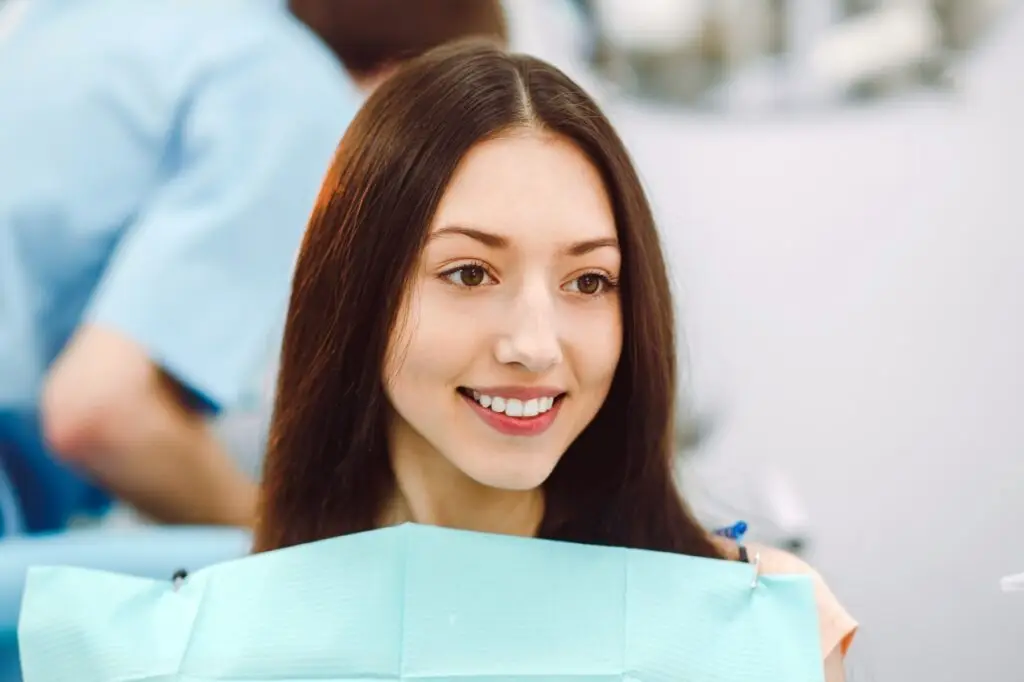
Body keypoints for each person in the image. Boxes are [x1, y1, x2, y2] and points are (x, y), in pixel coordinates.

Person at [252, 40, 857, 678]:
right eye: (469, 273)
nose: (536, 346)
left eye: (588, 281)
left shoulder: (755, 629)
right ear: (356, 294)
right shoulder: (235, 639)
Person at [0, 0, 507, 536]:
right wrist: (294, 541)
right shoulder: (293, 91)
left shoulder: (129, 21)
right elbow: (102, 412)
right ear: (398, 89)